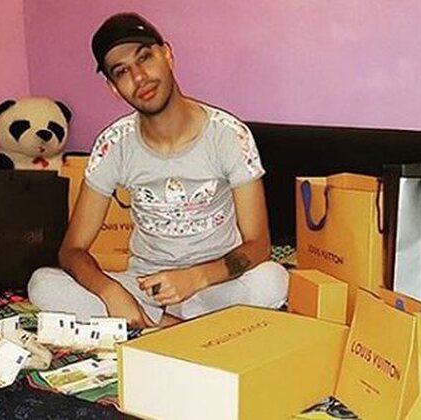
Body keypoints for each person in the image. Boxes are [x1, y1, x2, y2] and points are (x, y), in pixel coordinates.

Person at [28, 12, 288, 329]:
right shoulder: (114, 144)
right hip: (146, 287)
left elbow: (259, 245)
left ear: (167, 55)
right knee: (42, 285)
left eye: (144, 58)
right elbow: (72, 250)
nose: (139, 77)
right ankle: (175, 325)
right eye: (122, 71)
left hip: (214, 284)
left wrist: (196, 278)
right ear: (113, 88)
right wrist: (110, 292)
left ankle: (154, 327)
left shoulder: (228, 135)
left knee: (272, 281)